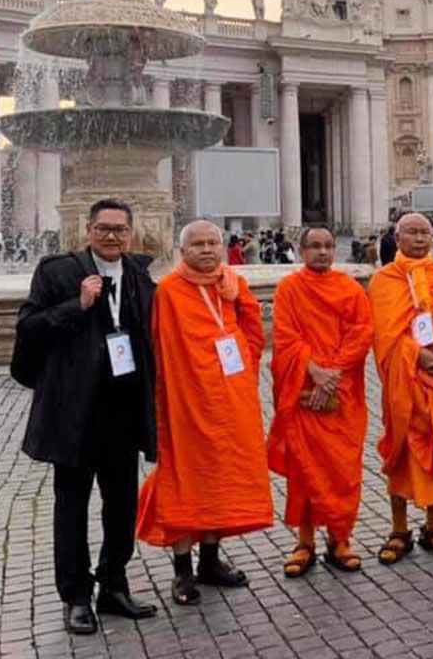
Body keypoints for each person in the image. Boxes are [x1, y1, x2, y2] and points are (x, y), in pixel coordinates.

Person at [12, 199, 158, 635]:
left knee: (122, 506)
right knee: (71, 507)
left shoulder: (139, 276)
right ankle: (76, 596)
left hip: (124, 410)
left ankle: (113, 584)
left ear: (131, 233)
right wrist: (77, 305)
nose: (111, 236)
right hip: (75, 411)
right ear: (88, 230)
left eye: (119, 229)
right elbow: (28, 327)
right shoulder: (57, 272)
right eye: (103, 229)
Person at [136, 220, 273, 605]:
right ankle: (183, 571)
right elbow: (157, 349)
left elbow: (254, 333)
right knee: (183, 481)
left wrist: (239, 306)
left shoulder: (231, 285)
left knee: (220, 478)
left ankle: (210, 562)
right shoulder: (168, 291)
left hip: (230, 401)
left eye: (214, 242)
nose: (208, 249)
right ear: (183, 252)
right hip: (184, 403)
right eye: (198, 244)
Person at [267, 226, 374, 576]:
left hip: (341, 392)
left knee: (342, 469)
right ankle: (305, 540)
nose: (323, 252)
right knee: (304, 472)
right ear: (301, 251)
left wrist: (332, 374)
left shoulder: (349, 288)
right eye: (315, 246)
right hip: (305, 389)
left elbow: (361, 334)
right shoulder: (289, 288)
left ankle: (340, 538)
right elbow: (285, 336)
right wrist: (314, 371)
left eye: (328, 246)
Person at [368, 213, 433, 565]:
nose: (418, 238)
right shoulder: (383, 280)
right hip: (403, 380)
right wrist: (417, 354)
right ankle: (398, 529)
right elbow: (384, 335)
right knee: (398, 452)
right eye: (411, 232)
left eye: (425, 232)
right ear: (397, 238)